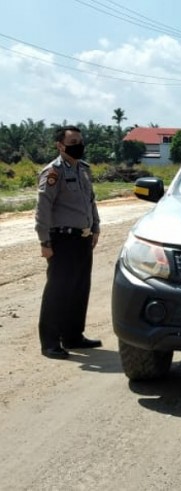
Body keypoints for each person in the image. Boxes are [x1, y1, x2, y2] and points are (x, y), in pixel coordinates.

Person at [35, 125, 102, 360]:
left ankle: (73, 336)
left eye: (80, 141)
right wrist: (44, 241)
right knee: (58, 290)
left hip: (83, 239)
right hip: (62, 239)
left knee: (79, 289)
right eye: (73, 141)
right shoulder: (53, 172)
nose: (78, 145)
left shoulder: (83, 169)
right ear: (60, 145)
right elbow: (43, 209)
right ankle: (50, 342)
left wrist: (95, 227)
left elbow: (91, 201)